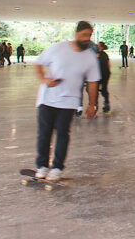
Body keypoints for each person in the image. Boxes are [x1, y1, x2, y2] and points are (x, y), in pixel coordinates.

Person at [33, 21, 101, 182]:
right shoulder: (58, 48)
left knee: (63, 134)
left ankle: (57, 167)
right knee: (44, 134)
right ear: (76, 34)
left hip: (69, 101)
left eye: (89, 35)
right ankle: (42, 166)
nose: (87, 38)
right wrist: (43, 79)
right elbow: (37, 63)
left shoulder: (90, 57)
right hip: (48, 99)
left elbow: (93, 82)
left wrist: (92, 104)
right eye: (84, 35)